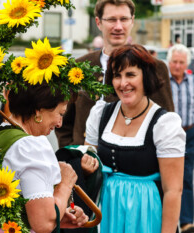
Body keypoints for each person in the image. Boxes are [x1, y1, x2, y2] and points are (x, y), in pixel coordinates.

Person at [85, 44, 185, 233]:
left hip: (146, 215)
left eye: (130, 75)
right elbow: (89, 164)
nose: (123, 83)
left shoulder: (164, 124)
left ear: (145, 77)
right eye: (117, 75)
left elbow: (173, 191)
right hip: (106, 211)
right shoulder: (101, 114)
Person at [55, 0, 174, 148]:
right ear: (98, 22)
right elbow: (63, 120)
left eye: (124, 19)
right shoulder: (77, 67)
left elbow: (165, 122)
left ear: (132, 21)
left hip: (133, 163)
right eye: (111, 19)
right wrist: (71, 155)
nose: (118, 27)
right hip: (83, 161)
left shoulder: (155, 67)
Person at [0, 82, 89, 232]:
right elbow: (43, 224)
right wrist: (65, 184)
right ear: (38, 110)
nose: (60, 123)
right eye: (60, 114)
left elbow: (27, 211)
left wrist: (59, 216)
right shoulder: (30, 147)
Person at [168, 44, 194, 233]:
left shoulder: (192, 81)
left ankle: (186, 221)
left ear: (187, 63)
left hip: (190, 133)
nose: (177, 66)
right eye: (175, 62)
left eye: (181, 62)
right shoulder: (162, 83)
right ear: (169, 62)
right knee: (168, 178)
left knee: (185, 176)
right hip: (168, 134)